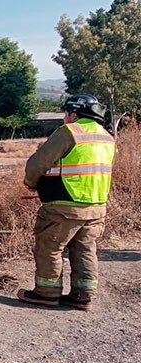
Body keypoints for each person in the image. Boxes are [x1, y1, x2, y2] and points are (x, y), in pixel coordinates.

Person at [17, 94, 115, 311]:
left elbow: (37, 163)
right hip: (97, 206)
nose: (64, 118)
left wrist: (30, 183)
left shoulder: (69, 132)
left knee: (50, 247)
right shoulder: (107, 137)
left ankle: (46, 293)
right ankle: (83, 296)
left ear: (74, 113)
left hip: (65, 204)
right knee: (85, 249)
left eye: (65, 113)